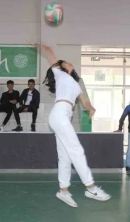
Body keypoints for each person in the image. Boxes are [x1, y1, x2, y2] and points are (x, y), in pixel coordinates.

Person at [33, 43, 111, 207]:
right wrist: (41, 46)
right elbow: (49, 52)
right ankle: (91, 188)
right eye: (66, 62)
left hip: (63, 116)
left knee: (65, 156)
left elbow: (85, 102)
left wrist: (91, 109)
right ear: (61, 68)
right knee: (76, 150)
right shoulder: (59, 74)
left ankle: (63, 191)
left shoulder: (76, 85)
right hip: (59, 113)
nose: (69, 63)